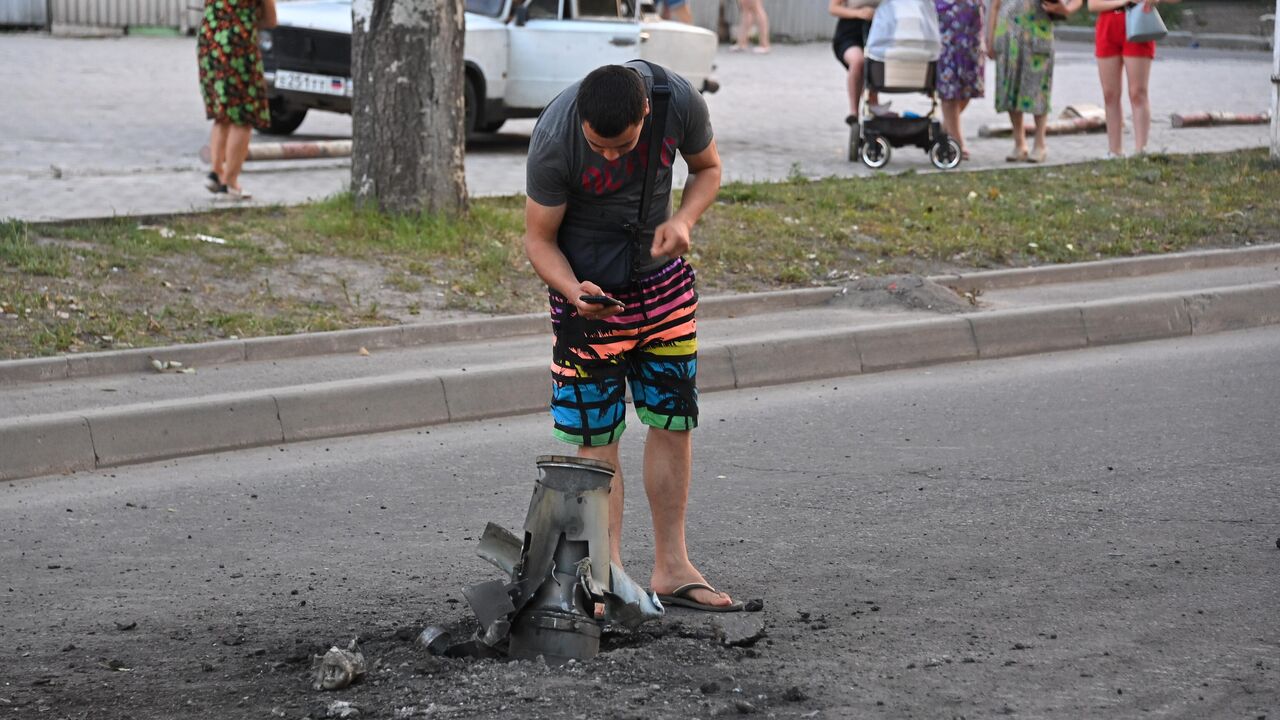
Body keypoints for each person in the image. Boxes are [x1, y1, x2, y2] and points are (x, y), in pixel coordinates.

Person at [522, 63, 739, 612]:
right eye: (598, 147)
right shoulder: (555, 136)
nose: (610, 158)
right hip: (589, 303)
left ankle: (671, 566)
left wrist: (685, 218)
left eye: (621, 147)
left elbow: (708, 169)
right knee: (598, 438)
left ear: (646, 114)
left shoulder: (678, 101)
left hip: (663, 289)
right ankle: (607, 574)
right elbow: (538, 240)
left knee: (673, 421)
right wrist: (574, 290)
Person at [197, 0, 277, 200]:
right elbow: (271, 19)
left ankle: (216, 173)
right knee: (244, 115)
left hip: (210, 43)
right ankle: (230, 184)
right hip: (238, 46)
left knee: (222, 113)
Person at [986, 0, 1082, 163]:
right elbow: (995, 5)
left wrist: (1066, 9)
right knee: (1011, 87)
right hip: (1008, 34)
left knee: (1038, 89)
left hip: (1037, 32)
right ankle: (1019, 142)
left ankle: (1040, 144)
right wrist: (990, 38)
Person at [1089, 0, 1179, 158]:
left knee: (1138, 92)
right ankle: (1114, 151)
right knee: (1110, 94)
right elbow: (1093, 5)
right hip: (1108, 26)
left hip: (1138, 22)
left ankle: (1140, 151)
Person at [934, 0, 985, 160]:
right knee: (949, 92)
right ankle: (958, 142)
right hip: (945, 40)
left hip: (971, 39)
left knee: (969, 90)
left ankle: (945, 127)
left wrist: (983, 38)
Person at [830, 0, 888, 127]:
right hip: (849, 34)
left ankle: (874, 117)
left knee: (874, 68)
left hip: (877, 33)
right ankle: (854, 113)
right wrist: (858, 13)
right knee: (858, 61)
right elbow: (833, 8)